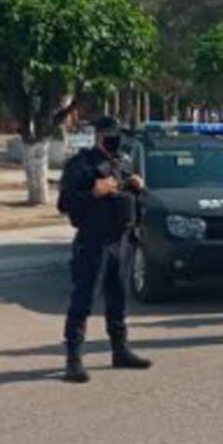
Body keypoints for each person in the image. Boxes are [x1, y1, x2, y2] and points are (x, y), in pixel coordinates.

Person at [57, 115, 151, 383]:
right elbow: (64, 204)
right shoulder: (81, 164)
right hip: (93, 242)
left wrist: (137, 189)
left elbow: (128, 199)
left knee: (118, 299)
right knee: (83, 300)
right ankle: (73, 359)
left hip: (121, 241)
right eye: (111, 133)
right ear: (99, 135)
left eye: (119, 133)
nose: (116, 138)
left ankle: (120, 350)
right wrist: (93, 193)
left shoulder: (123, 162)